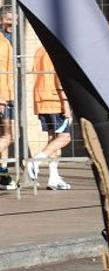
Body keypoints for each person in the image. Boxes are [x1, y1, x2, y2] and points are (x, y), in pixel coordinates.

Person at [27, 46, 72, 190]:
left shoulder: (40, 50)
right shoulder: (57, 50)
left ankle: (53, 177)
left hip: (42, 99)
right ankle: (35, 162)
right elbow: (59, 78)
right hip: (55, 100)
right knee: (65, 137)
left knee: (53, 140)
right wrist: (65, 102)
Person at [0, 9, 14, 189]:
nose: (13, 23)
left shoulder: (7, 40)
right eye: (9, 19)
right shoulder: (2, 43)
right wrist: (2, 98)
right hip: (4, 95)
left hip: (8, 93)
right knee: (9, 135)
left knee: (4, 135)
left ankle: (3, 173)